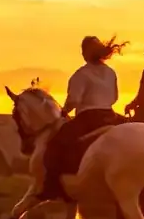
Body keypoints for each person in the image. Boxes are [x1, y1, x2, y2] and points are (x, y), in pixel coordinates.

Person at [41, 35, 125, 200]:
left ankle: (51, 186)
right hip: (110, 115)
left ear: (86, 52)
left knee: (54, 144)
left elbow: (74, 100)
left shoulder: (81, 74)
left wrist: (64, 111)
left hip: (88, 117)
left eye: (82, 50)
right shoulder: (110, 72)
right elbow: (115, 97)